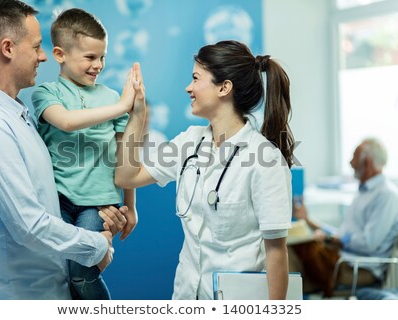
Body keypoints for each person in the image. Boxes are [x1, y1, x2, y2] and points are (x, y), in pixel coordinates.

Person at [0, 0, 113, 300]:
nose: (43, 57)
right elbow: (29, 225)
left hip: (51, 290)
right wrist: (96, 246)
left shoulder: (17, 114)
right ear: (8, 48)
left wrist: (100, 210)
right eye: (37, 46)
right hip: (21, 298)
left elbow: (49, 198)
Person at [114, 40, 295, 299]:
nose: (188, 87)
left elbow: (276, 252)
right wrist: (138, 115)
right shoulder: (189, 141)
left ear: (224, 87)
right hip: (187, 296)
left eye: (196, 78)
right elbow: (126, 177)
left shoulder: (265, 159)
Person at [31, 8, 138, 300]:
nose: (98, 65)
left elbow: (124, 154)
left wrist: (131, 206)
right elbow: (66, 121)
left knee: (81, 272)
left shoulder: (110, 96)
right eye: (90, 57)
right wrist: (121, 107)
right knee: (60, 273)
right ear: (59, 54)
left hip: (98, 206)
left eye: (102, 57)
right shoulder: (46, 93)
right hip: (59, 202)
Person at [291, 138, 398, 297]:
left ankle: (286, 300)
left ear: (368, 162)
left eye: (354, 157)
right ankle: (289, 298)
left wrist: (332, 240)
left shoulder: (386, 195)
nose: (350, 162)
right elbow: (343, 234)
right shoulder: (364, 193)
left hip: (358, 268)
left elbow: (368, 243)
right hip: (343, 260)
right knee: (294, 249)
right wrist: (308, 220)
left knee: (295, 251)